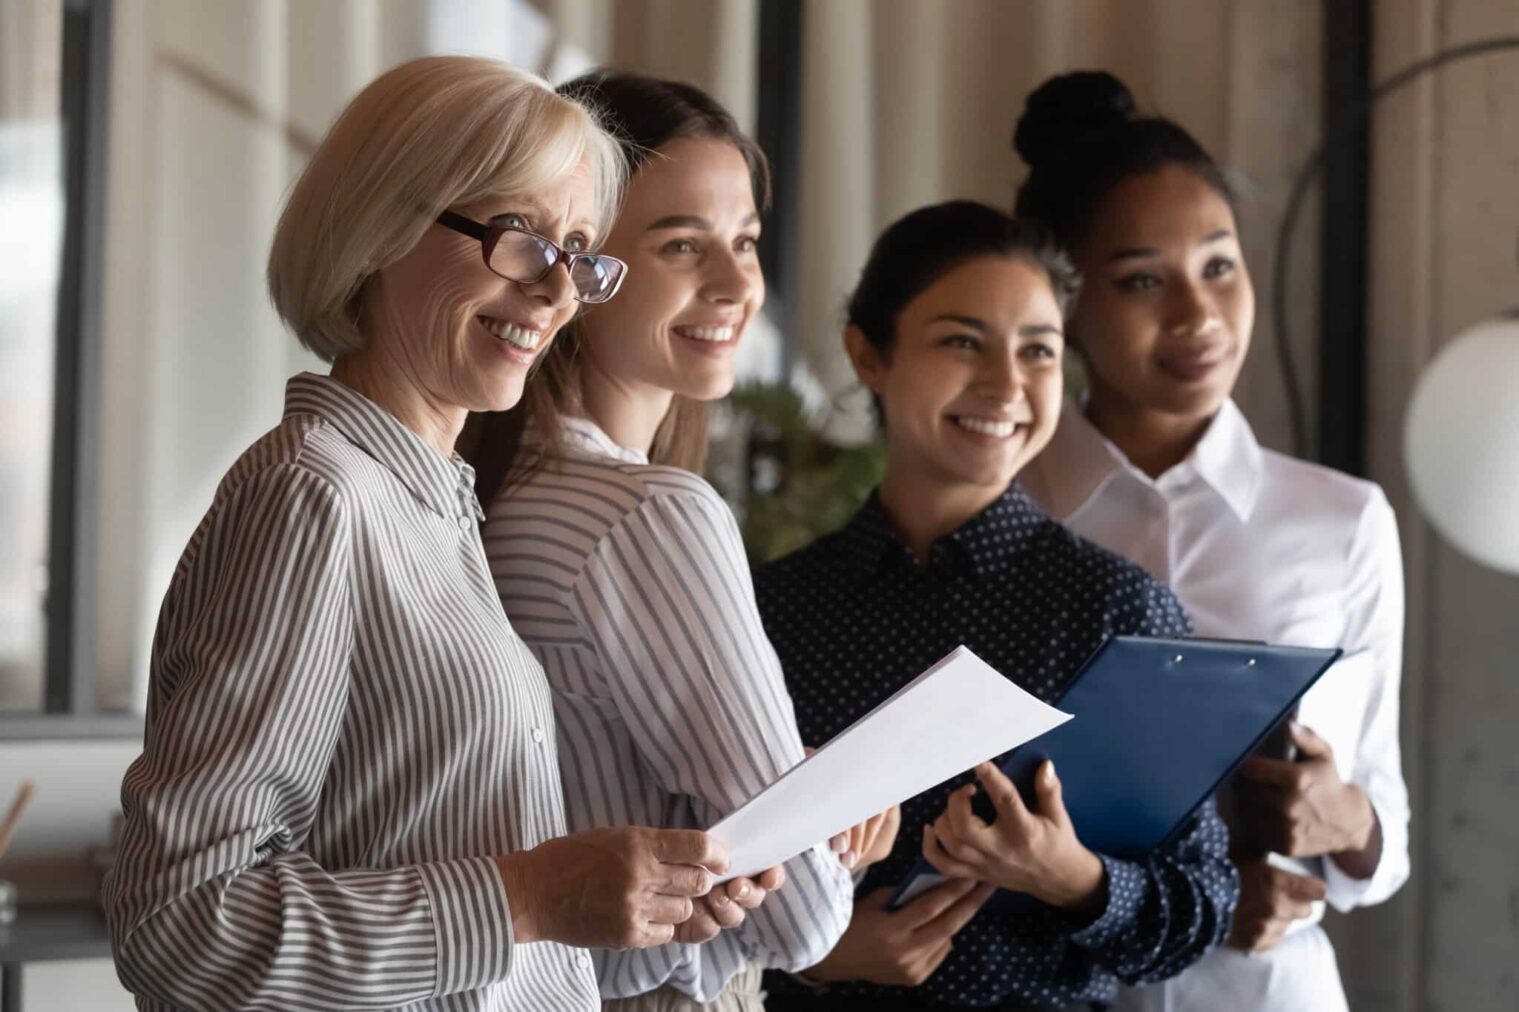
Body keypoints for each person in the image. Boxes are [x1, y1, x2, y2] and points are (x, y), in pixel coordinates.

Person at [104, 57, 729, 1012]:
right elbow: (184, 927)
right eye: (519, 239)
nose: (558, 293)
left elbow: (428, 857)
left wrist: (643, 886)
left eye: (578, 252)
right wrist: (526, 896)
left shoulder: (433, 504)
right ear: (380, 229)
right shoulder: (315, 499)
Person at [754, 200, 1238, 1012]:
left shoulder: (1113, 611)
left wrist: (1070, 878)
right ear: (868, 356)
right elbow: (685, 874)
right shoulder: (773, 607)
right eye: (961, 342)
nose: (1006, 384)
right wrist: (812, 955)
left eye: (1038, 351)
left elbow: (1201, 909)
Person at [470, 72, 877, 1011]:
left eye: (744, 241)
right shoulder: (646, 515)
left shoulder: (495, 496)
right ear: (577, 263)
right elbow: (804, 918)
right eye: (681, 245)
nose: (737, 285)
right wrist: (829, 823)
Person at [1013, 71, 1410, 1012]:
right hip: (1051, 987)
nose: (1197, 316)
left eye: (1219, 266)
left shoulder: (1341, 521)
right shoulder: (1001, 513)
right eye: (1142, 279)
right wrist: (1183, 900)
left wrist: (1339, 815)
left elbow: (1382, 826)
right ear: (1063, 301)